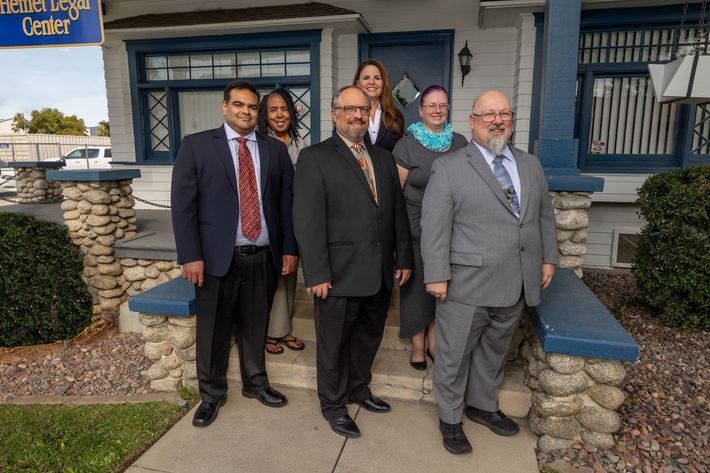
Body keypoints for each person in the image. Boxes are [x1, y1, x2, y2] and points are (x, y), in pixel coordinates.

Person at [420, 90, 558, 454]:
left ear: (511, 120)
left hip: (516, 281)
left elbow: (543, 215)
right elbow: (434, 226)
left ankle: (482, 406)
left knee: (494, 352)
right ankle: (450, 419)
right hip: (466, 285)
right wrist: (436, 274)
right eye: (488, 115)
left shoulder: (530, 164)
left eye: (504, 114)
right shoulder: (450, 166)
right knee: (453, 355)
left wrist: (548, 258)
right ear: (473, 121)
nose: (497, 120)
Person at [171, 79, 298, 428]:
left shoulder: (274, 151)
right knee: (213, 331)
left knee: (256, 326)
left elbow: (287, 204)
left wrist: (289, 248)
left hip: (263, 255)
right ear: (224, 106)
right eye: (239, 104)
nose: (246, 111)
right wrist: (190, 255)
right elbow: (183, 206)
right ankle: (211, 396)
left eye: (252, 106)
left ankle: (256, 384)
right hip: (214, 260)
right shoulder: (197, 146)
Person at [293, 85, 413, 438]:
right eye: (350, 109)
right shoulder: (315, 157)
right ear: (335, 114)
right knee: (334, 343)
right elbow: (308, 219)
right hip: (338, 273)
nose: (358, 115)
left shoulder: (383, 158)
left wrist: (402, 256)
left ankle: (359, 388)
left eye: (363, 109)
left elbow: (396, 214)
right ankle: (333, 404)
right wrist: (316, 271)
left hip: (379, 271)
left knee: (368, 337)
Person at [393, 85, 468, 371]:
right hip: (416, 229)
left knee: (442, 285)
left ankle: (435, 342)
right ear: (421, 110)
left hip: (452, 228)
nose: (438, 110)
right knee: (416, 289)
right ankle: (417, 346)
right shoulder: (406, 145)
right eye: (432, 105)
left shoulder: (461, 143)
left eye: (443, 105)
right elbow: (395, 194)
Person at [257, 88, 306, 355]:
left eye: (284, 109)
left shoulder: (299, 144)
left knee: (289, 276)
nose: (279, 114)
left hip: (293, 217)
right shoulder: (259, 144)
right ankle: (269, 332)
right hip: (268, 220)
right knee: (273, 278)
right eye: (273, 109)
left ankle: (283, 329)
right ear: (264, 114)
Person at [353, 59, 405, 152]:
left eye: (377, 78)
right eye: (366, 78)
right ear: (358, 84)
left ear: (383, 83)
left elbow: (400, 154)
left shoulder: (396, 116)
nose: (372, 82)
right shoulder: (347, 114)